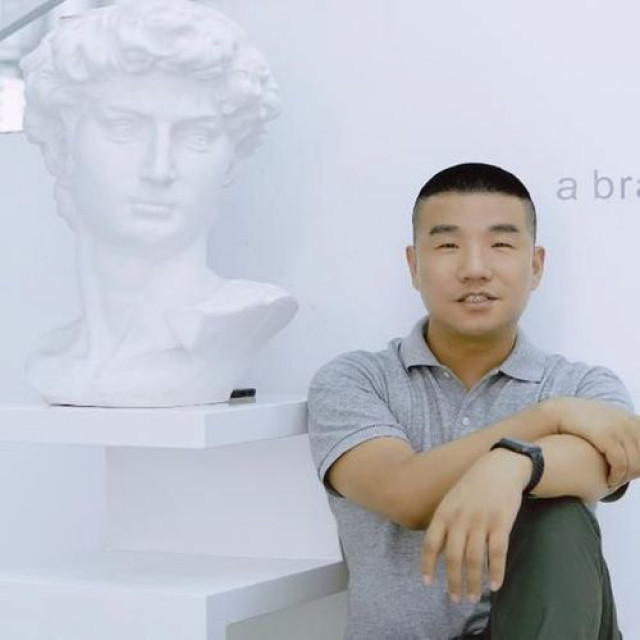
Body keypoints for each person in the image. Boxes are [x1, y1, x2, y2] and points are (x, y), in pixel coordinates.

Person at [307, 162, 639, 639]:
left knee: (560, 514)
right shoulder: (356, 380)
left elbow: (609, 464)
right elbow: (403, 494)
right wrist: (549, 417)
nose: (475, 269)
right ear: (414, 266)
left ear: (536, 265)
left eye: (501, 244)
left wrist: (510, 465)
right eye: (448, 246)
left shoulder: (584, 387)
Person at [20, 0, 297, 407]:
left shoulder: (240, 318)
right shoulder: (51, 358)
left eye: (197, 136)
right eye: (123, 127)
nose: (159, 168)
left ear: (232, 161)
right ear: (62, 146)